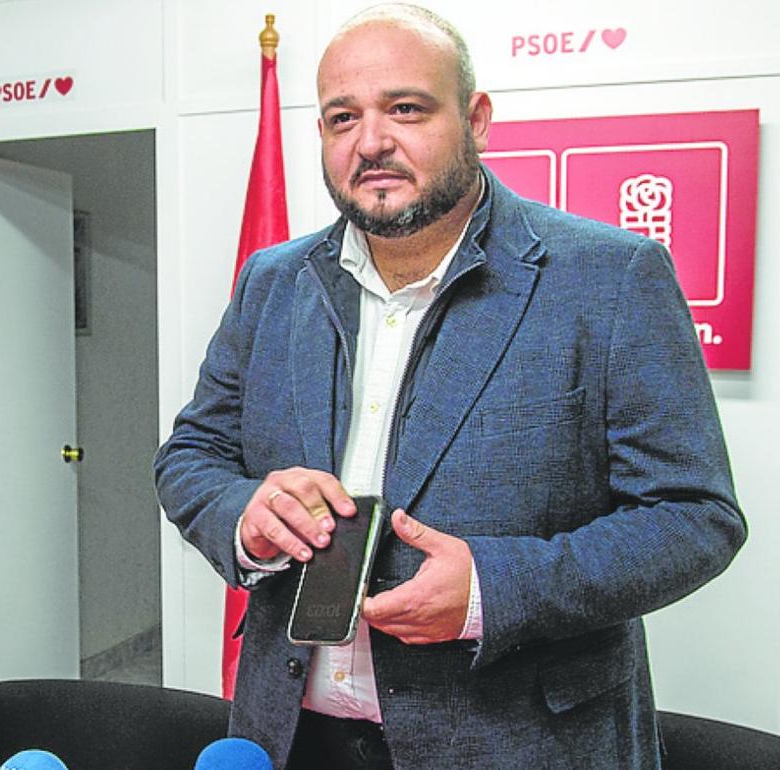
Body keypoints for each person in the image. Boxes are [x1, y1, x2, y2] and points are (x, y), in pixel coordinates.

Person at [154, 5, 746, 769]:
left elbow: (695, 517)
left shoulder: (609, 278)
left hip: (519, 744)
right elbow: (190, 455)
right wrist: (245, 516)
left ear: (477, 119)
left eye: (406, 108)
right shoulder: (273, 282)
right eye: (342, 118)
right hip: (294, 735)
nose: (371, 142)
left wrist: (496, 588)